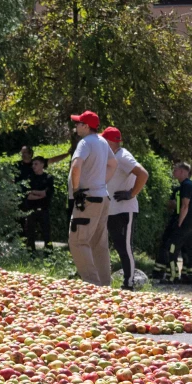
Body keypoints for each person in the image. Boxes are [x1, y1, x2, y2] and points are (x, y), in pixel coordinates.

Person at [66, 110, 116, 286]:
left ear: (86, 126)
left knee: (77, 242)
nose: (76, 125)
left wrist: (77, 189)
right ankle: (105, 286)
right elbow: (113, 164)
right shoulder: (103, 142)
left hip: (88, 198)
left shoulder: (85, 142)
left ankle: (92, 285)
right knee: (98, 244)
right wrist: (101, 182)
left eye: (78, 123)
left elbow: (76, 165)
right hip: (103, 198)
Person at [101, 127, 149, 290]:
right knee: (116, 246)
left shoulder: (123, 156)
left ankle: (129, 284)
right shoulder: (112, 157)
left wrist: (131, 194)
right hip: (112, 210)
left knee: (125, 247)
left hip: (124, 210)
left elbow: (143, 174)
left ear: (110, 142)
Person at [155, 161, 192, 284]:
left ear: (182, 171)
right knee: (189, 247)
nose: (173, 172)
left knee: (172, 247)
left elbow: (185, 205)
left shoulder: (186, 185)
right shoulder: (190, 185)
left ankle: (172, 276)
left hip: (185, 221)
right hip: (191, 221)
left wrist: (180, 222)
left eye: (175, 170)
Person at [22, 156, 55, 250]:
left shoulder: (48, 178)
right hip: (31, 209)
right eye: (33, 164)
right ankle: (31, 253)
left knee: (46, 233)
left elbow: (47, 194)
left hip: (44, 209)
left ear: (42, 165)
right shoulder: (29, 178)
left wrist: (34, 192)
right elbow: (27, 195)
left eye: (36, 164)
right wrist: (40, 193)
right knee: (30, 234)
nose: (33, 166)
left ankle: (49, 253)